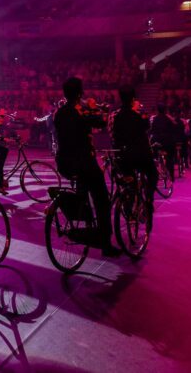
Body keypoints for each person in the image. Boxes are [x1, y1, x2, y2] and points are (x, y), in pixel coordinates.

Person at [54, 77, 120, 257]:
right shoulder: (80, 111)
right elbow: (101, 122)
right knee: (102, 200)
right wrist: (101, 109)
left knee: (83, 190)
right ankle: (105, 244)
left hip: (64, 163)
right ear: (80, 93)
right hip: (83, 162)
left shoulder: (59, 113)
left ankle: (83, 220)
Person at [111, 85, 158, 219]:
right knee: (153, 173)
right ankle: (149, 199)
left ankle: (127, 207)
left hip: (123, 157)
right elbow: (146, 127)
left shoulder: (117, 117)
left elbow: (116, 136)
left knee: (129, 181)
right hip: (140, 156)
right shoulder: (136, 116)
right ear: (132, 100)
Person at [150, 104, 182, 183]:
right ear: (166, 110)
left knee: (153, 156)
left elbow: (152, 131)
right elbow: (175, 128)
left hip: (157, 142)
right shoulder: (169, 119)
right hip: (168, 142)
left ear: (157, 110)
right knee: (170, 159)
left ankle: (155, 174)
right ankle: (171, 176)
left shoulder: (155, 119)